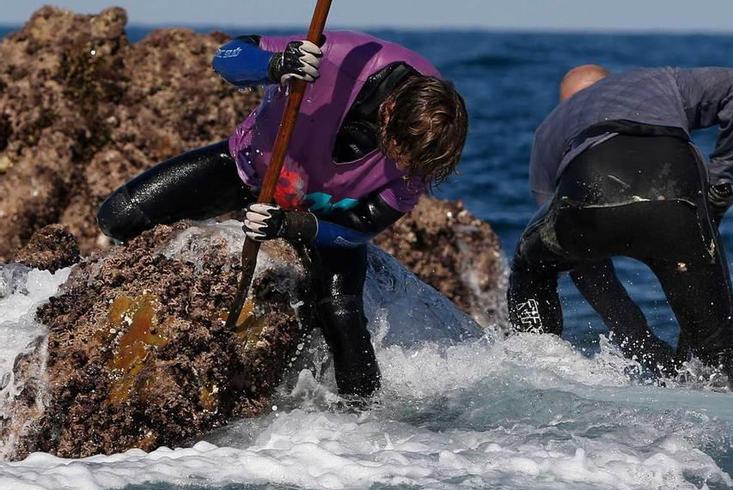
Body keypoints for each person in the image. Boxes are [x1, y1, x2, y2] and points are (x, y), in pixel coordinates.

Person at [96, 31, 468, 399]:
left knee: (342, 315)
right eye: (399, 152)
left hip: (328, 213)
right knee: (117, 217)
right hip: (252, 170)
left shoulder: (426, 149)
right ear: (389, 111)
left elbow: (362, 227)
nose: (404, 167)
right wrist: (274, 65)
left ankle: (363, 434)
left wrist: (292, 225)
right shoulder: (338, 57)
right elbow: (227, 57)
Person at [507, 64, 733, 394]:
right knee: (720, 353)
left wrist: (637, 340)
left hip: (589, 187)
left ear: (565, 100)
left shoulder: (550, 127)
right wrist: (722, 174)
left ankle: (535, 378)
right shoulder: (658, 79)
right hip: (675, 191)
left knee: (533, 267)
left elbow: (578, 259)